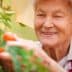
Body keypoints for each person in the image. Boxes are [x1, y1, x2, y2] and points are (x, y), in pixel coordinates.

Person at [0, 0, 72, 72]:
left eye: (57, 16)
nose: (47, 24)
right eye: (41, 15)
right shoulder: (25, 55)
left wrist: (47, 64)